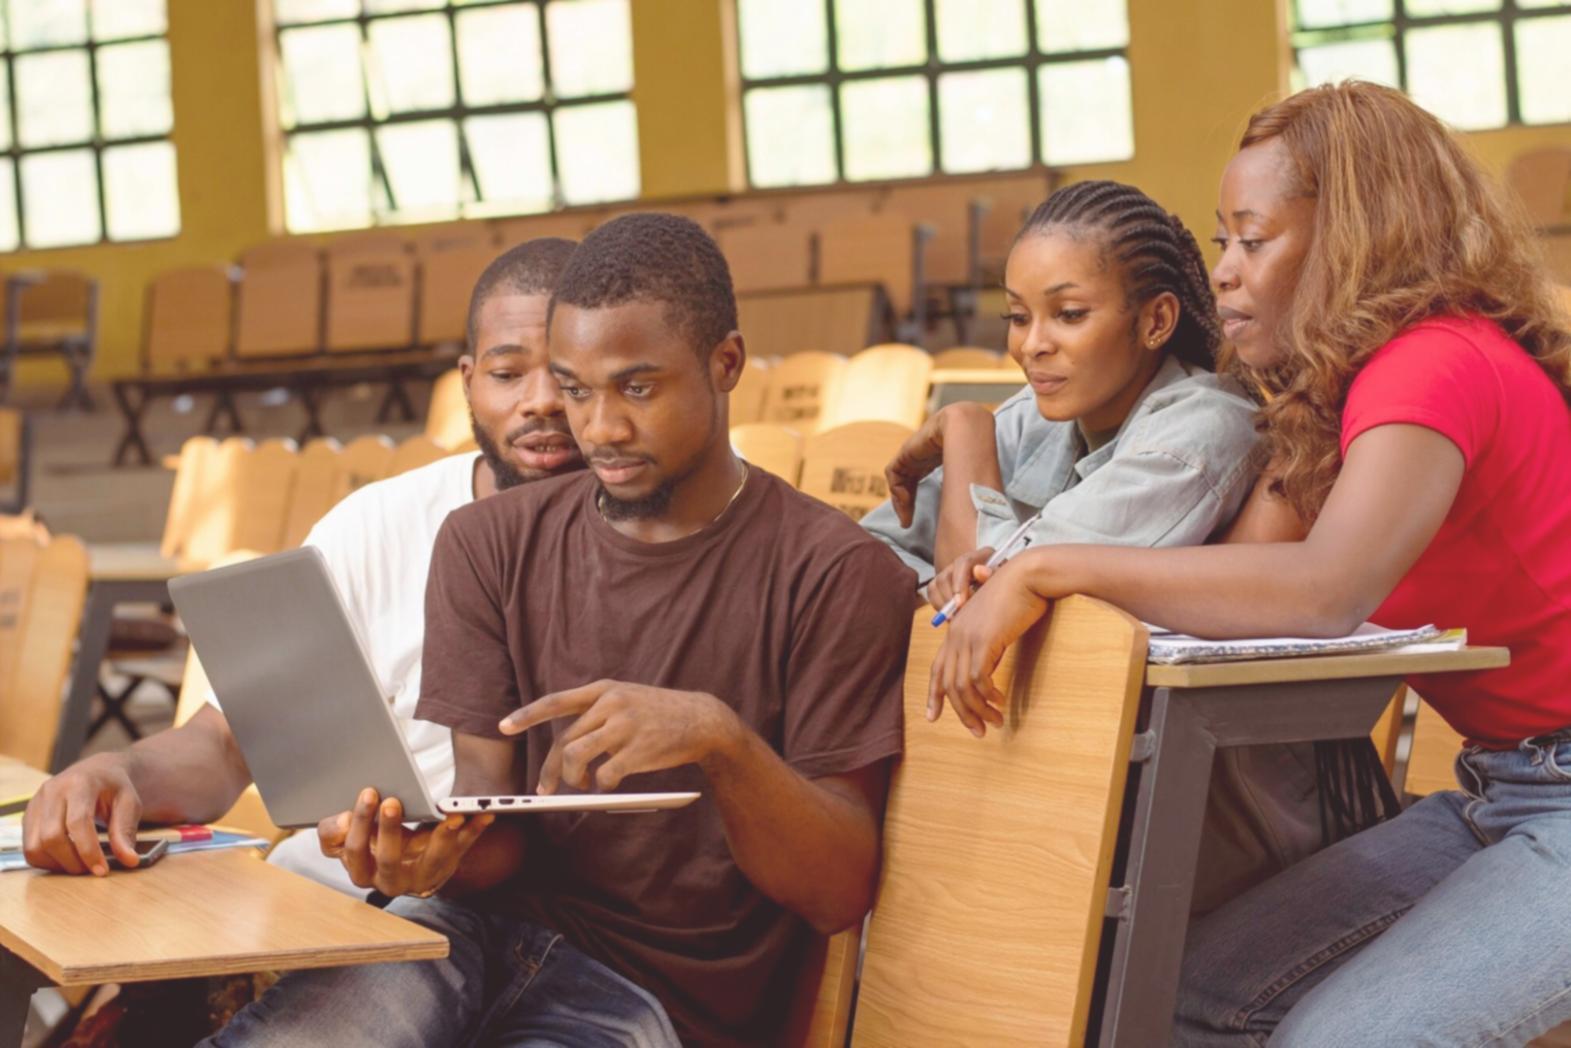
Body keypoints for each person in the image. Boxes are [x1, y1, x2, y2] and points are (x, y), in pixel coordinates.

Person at [926, 81, 1571, 1046]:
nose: (1221, 274)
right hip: (1501, 790)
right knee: (1184, 997)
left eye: (1251, 240)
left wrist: (1047, 566)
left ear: (1354, 233)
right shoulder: (1339, 391)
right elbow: (1234, 586)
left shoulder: (1433, 363)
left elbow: (1321, 590)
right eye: (1221, 240)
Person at [201, 213, 917, 1048]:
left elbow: (835, 893)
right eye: (577, 389)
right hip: (462, 935)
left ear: (727, 364)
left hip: (657, 993)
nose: (599, 428)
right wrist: (429, 856)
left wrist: (721, 740)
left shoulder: (837, 572)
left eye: (637, 388)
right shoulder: (485, 544)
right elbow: (495, 839)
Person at [22, 238, 585, 896]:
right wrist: (116, 772)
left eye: (569, 376)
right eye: (507, 373)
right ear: (466, 381)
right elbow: (231, 743)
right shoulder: (377, 522)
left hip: (499, 912)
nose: (541, 400)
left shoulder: (650, 542)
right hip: (331, 891)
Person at [861, 180, 1324, 912]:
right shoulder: (1041, 411)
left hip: (1196, 834)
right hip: (1048, 789)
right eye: (1017, 317)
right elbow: (868, 570)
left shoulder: (1204, 427)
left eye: (1067, 315)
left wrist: (962, 433)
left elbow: (981, 603)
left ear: (1155, 321)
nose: (1030, 345)